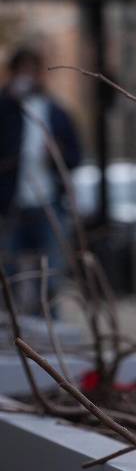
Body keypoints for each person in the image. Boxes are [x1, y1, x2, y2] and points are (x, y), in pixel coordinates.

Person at [0, 46, 83, 313]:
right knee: (8, 277)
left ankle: (50, 333)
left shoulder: (56, 113)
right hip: (9, 205)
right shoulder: (5, 109)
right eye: (21, 70)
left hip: (48, 204)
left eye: (31, 70)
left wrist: (56, 154)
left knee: (50, 279)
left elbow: (75, 156)